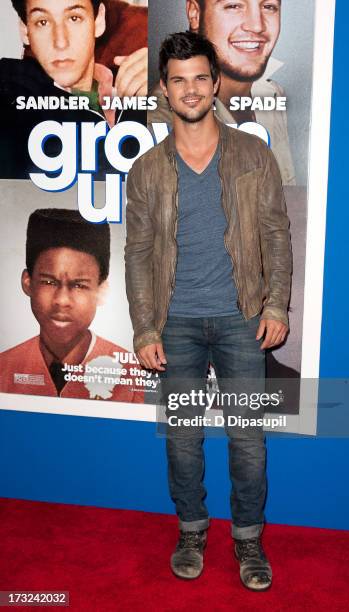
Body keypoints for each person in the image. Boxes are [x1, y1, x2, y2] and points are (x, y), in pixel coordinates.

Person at [125, 32, 292, 591]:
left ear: (215, 83)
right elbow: (139, 253)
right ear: (165, 90)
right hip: (175, 325)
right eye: (179, 79)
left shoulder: (253, 155)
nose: (191, 89)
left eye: (201, 77)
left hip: (243, 319)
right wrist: (145, 324)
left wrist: (275, 304)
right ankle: (192, 528)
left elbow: (276, 235)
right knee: (182, 437)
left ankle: (248, 538)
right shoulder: (147, 170)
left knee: (248, 440)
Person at [0, 208, 144, 404]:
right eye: (49, 282)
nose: (62, 300)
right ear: (27, 282)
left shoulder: (135, 376)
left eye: (79, 285)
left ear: (101, 290)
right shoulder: (4, 368)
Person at [148, 0, 295, 186]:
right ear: (194, 13)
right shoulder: (162, 117)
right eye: (233, 6)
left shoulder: (271, 94)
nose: (257, 26)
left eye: (268, 6)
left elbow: (286, 193)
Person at [0, 0, 148, 178]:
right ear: (25, 30)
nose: (60, 42)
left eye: (74, 18)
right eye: (43, 22)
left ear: (98, 21)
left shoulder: (137, 89)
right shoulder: (12, 88)